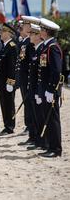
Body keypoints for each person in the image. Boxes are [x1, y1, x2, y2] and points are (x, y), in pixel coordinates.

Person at [36, 18, 64, 158]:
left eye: (41, 29)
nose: (39, 31)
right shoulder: (46, 46)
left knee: (52, 119)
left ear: (46, 32)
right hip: (45, 89)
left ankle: (56, 149)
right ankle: (50, 146)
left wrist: (51, 89)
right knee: (47, 117)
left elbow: (56, 71)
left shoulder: (53, 47)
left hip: (50, 90)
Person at [17, 16, 40, 143]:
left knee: (31, 106)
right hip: (25, 78)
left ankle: (33, 132)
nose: (23, 27)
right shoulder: (25, 42)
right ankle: (30, 130)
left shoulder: (31, 43)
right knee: (28, 104)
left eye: (25, 24)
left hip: (30, 78)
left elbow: (32, 63)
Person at [27, 24, 47, 151]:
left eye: (32, 34)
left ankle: (42, 142)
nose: (30, 36)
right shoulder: (36, 49)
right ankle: (38, 140)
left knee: (41, 116)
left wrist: (40, 91)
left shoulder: (42, 50)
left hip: (41, 90)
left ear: (39, 36)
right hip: (35, 89)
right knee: (35, 115)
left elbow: (44, 73)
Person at [0, 23, 19, 135]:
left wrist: (11, 82)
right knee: (4, 104)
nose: (1, 33)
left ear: (9, 33)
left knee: (9, 104)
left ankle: (10, 126)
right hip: (2, 81)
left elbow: (13, 67)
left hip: (8, 82)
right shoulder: (4, 46)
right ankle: (6, 125)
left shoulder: (12, 47)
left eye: (3, 31)